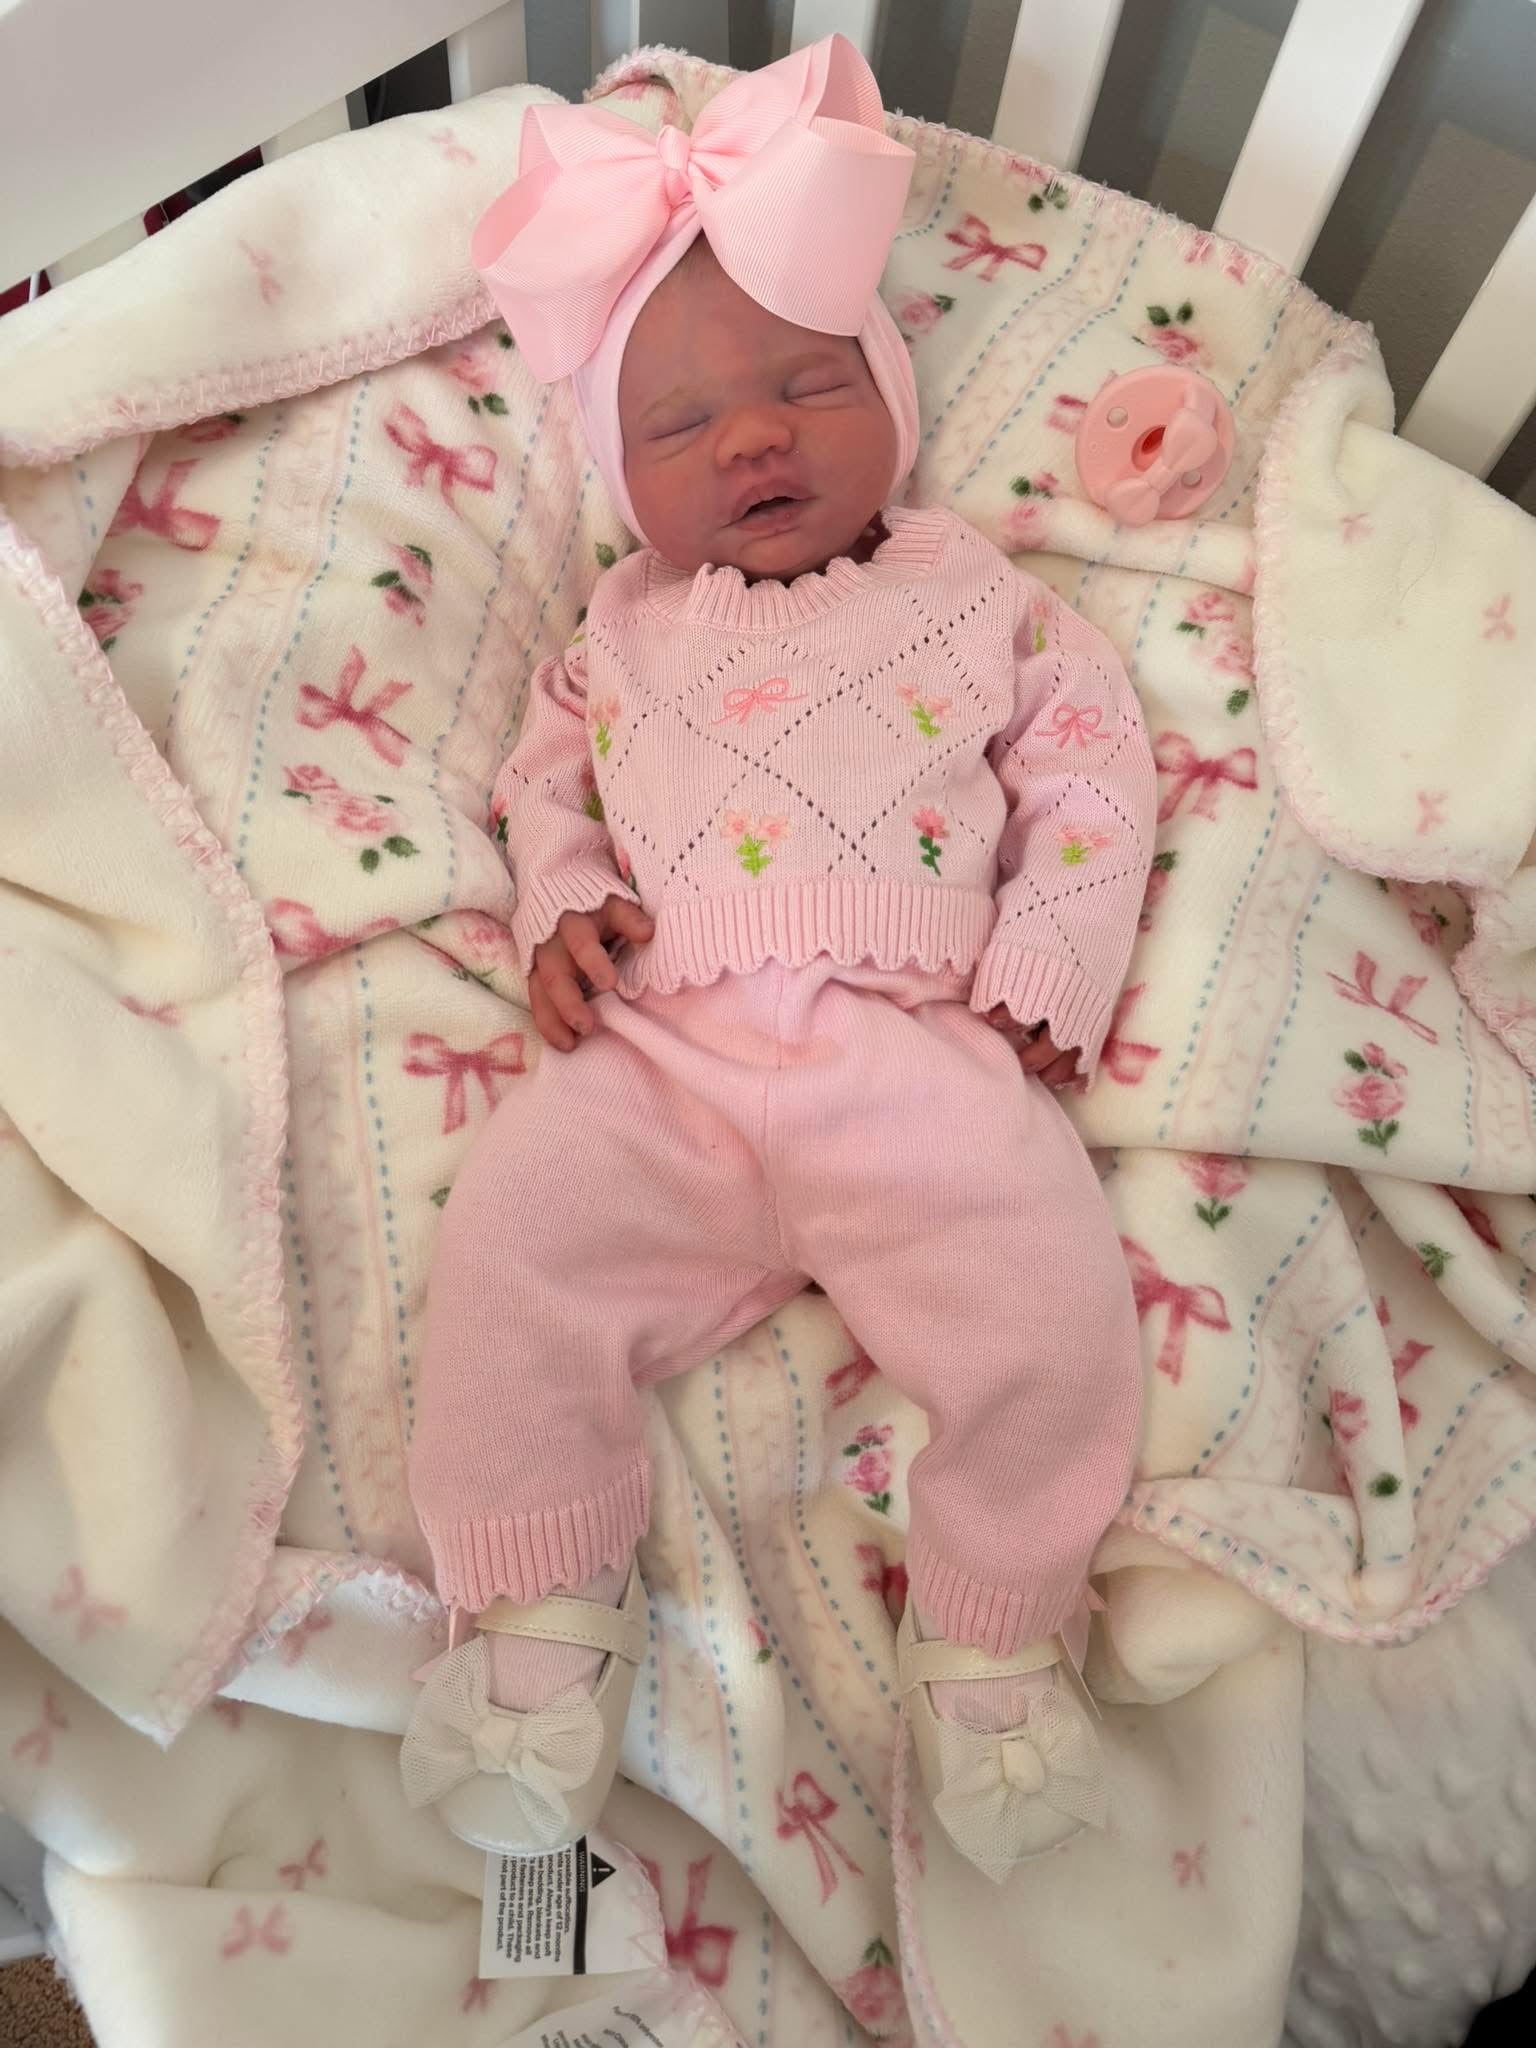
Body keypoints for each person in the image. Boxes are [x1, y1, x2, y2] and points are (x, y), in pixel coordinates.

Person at [401, 33, 1154, 1886]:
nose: (753, 436)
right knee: (509, 1253)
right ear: (621, 479)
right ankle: (536, 1615)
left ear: (890, 400)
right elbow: (541, 786)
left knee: (1050, 1306)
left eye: (811, 386)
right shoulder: (617, 629)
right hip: (662, 1061)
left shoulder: (976, 591)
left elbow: (1091, 766)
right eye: (681, 427)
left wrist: (1055, 950)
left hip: (917, 1057)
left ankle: (994, 1642)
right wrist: (558, 905)